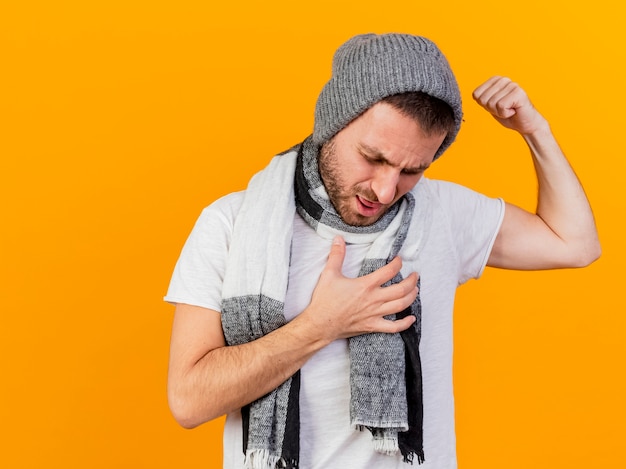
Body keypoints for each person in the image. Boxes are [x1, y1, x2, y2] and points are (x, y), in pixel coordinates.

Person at [164, 33, 600, 469]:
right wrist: (321, 325)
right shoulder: (232, 224)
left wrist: (535, 132)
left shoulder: (440, 212)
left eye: (412, 170)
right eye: (373, 157)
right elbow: (189, 400)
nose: (386, 189)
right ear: (332, 124)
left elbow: (575, 244)